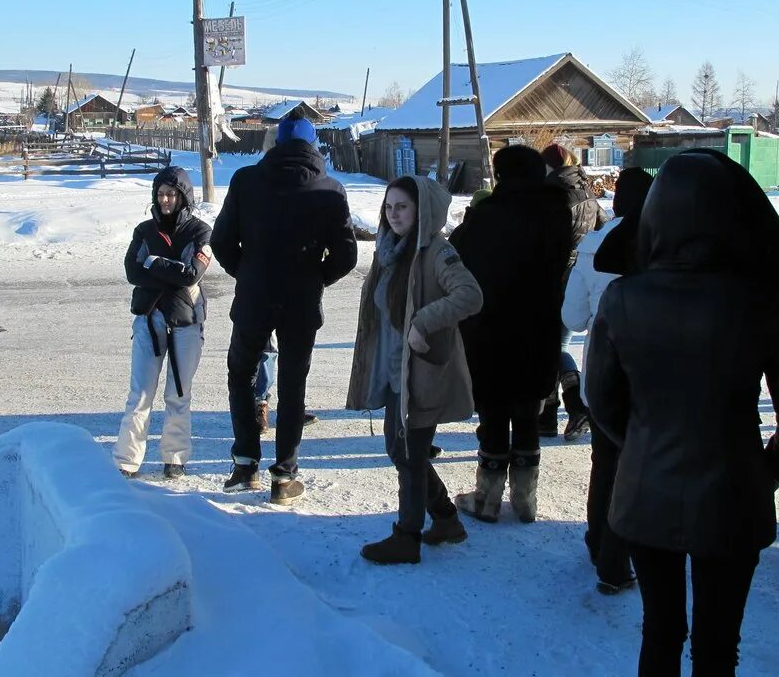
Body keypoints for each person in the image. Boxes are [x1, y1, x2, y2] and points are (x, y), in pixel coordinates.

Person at [585, 148, 779, 677]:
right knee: (718, 647)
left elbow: (601, 398)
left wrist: (642, 444)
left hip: (645, 496)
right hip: (734, 494)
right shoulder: (757, 300)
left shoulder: (623, 298)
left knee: (660, 635)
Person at [210, 111, 357, 505]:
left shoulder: (246, 181)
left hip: (254, 299)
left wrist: (248, 273)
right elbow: (346, 254)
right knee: (293, 386)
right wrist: (313, 279)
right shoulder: (330, 189)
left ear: (275, 145)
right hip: (300, 305)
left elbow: (221, 241)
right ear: (313, 147)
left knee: (241, 375)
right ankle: (284, 475)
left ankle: (245, 465)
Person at [346, 176, 483, 563]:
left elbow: (470, 295)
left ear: (421, 209)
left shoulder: (436, 251)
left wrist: (423, 321)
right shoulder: (389, 249)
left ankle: (407, 536)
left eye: (402, 207)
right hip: (395, 371)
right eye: (389, 207)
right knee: (401, 449)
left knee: (408, 453)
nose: (393, 215)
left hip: (421, 371)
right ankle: (445, 518)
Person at [449, 145, 573, 523]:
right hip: (540, 328)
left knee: (494, 409)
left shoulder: (486, 216)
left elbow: (457, 254)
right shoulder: (557, 213)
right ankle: (524, 499)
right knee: (527, 410)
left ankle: (487, 498)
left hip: (491, 329)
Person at [560, 166, 653, 593]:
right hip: (651, 374)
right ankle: (619, 557)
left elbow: (573, 318)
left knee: (606, 462)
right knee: (643, 467)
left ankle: (599, 541)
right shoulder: (665, 246)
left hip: (601, 373)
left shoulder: (595, 245)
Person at [113, 166, 213, 479]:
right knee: (140, 394)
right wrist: (171, 271)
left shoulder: (200, 232)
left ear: (183, 196)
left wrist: (155, 263)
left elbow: (192, 275)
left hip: (186, 322)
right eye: (160, 194)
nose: (165, 199)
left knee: (178, 395)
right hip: (149, 320)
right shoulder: (144, 231)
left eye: (171, 194)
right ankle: (127, 460)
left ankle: (175, 457)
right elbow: (132, 272)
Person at [539, 143, 607, 438]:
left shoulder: (554, 194)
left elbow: (545, 242)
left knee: (552, 348)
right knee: (554, 347)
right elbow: (603, 227)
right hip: (577, 278)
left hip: (554, 280)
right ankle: (551, 416)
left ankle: (575, 408)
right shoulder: (587, 192)